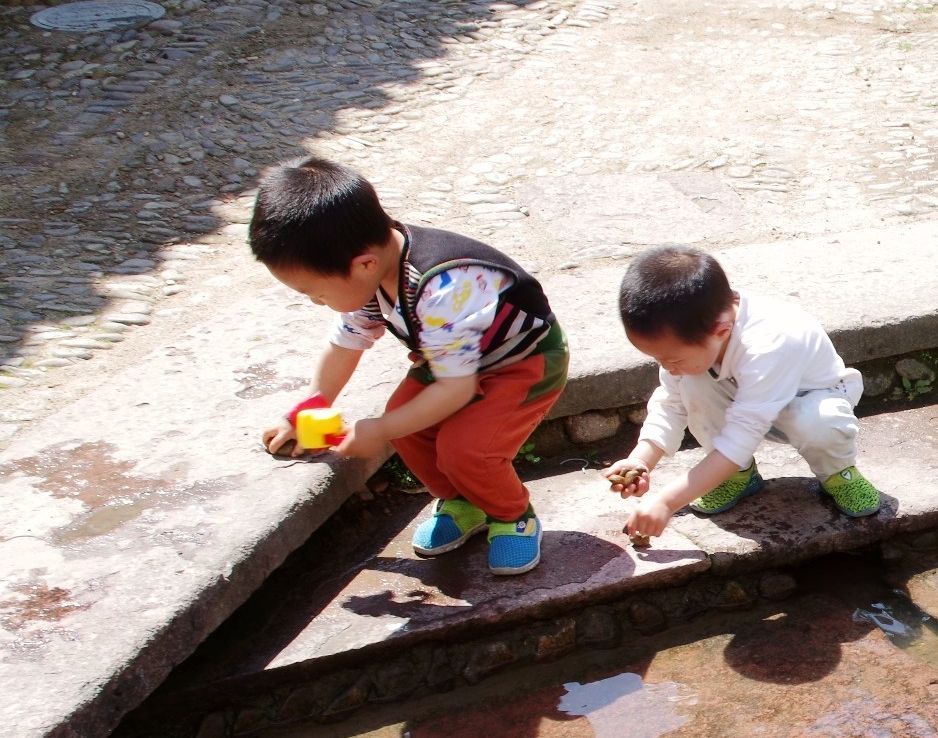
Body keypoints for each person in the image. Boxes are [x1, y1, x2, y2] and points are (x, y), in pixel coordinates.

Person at [253, 157, 568, 576]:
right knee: (412, 429)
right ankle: (465, 503)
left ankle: (514, 515)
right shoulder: (370, 271)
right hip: (451, 362)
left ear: (361, 264)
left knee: (468, 449)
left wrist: (381, 431)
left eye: (314, 292)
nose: (313, 301)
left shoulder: (443, 287)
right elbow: (346, 343)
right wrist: (308, 408)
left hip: (522, 361)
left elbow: (454, 392)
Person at [604, 246, 881, 538]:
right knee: (692, 383)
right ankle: (740, 476)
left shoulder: (770, 343)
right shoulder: (697, 333)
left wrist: (667, 501)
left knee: (819, 422)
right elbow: (672, 403)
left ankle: (838, 473)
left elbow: (740, 439)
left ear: (720, 331)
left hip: (811, 400)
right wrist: (640, 461)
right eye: (659, 360)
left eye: (672, 359)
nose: (667, 368)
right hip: (747, 402)